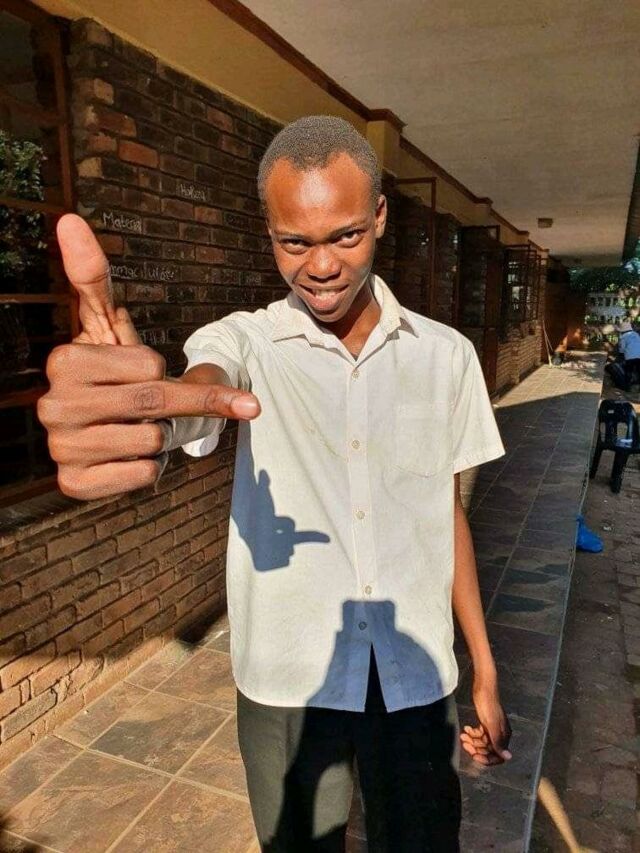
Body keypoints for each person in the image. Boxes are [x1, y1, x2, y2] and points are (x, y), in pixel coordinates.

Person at [39, 115, 511, 852]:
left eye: (345, 236)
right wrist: (149, 411)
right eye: (295, 242)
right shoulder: (247, 340)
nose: (320, 266)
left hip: (415, 674)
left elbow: (443, 512)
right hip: (289, 676)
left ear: (380, 216)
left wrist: (482, 663)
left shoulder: (445, 356)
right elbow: (205, 388)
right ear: (269, 232)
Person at [617, 320, 640, 388]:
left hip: (629, 356)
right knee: (639, 370)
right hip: (639, 355)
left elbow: (622, 348)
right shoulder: (636, 334)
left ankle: (627, 386)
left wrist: (621, 354)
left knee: (628, 371)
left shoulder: (623, 337)